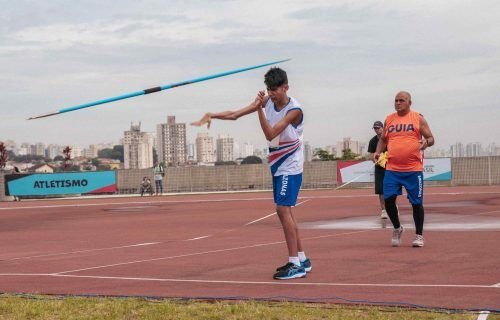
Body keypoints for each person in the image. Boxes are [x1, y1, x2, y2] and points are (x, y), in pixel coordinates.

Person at [191, 67, 311, 280]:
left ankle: (295, 264)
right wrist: (213, 115)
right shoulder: (268, 102)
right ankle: (301, 258)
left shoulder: (294, 110)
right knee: (287, 211)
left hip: (290, 165)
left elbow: (270, 133)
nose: (272, 94)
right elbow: (236, 114)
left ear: (286, 87)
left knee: (282, 209)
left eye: (275, 90)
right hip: (278, 163)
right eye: (269, 90)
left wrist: (259, 109)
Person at [375, 91, 434, 248]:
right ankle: (397, 228)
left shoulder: (418, 118)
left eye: (402, 100)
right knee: (388, 201)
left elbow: (431, 138)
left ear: (409, 102)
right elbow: (383, 139)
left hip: (413, 169)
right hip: (392, 168)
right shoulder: (389, 119)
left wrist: (426, 143)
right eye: (396, 100)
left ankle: (419, 235)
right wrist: (377, 152)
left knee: (416, 203)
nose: (398, 103)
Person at [368, 121, 388, 219]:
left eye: (378, 128)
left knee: (392, 189)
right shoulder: (372, 141)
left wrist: (386, 157)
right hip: (379, 168)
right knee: (380, 190)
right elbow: (371, 155)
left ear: (382, 128)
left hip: (390, 167)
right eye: (375, 128)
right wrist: (376, 158)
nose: (376, 130)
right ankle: (383, 210)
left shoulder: (389, 138)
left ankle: (394, 207)